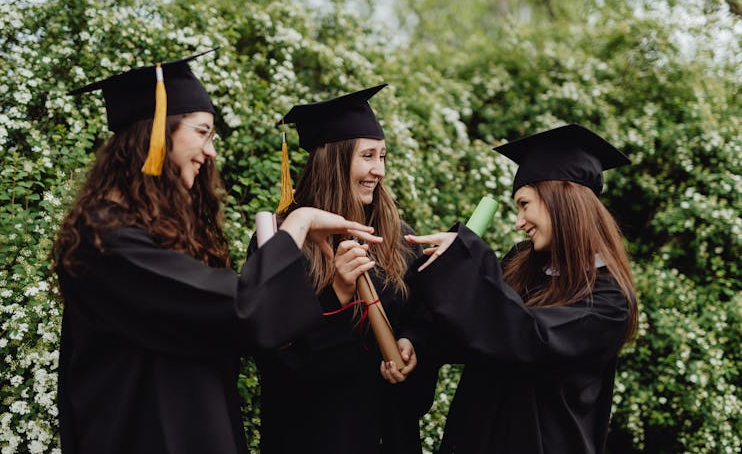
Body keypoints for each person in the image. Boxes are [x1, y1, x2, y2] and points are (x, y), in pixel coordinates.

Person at [54, 50, 381, 454]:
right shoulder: (106, 239)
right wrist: (297, 224)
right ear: (157, 132)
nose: (210, 151)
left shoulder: (149, 234)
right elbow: (245, 307)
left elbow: (238, 326)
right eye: (202, 131)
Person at [405, 124, 639, 454]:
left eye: (524, 204)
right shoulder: (522, 262)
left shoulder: (609, 300)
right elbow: (476, 331)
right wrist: (417, 343)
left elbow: (528, 339)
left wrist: (469, 259)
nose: (519, 221)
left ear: (562, 199)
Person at [248, 85, 436, 454]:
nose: (378, 170)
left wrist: (411, 344)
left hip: (388, 433)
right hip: (316, 435)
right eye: (367, 156)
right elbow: (275, 355)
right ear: (333, 160)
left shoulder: (396, 238)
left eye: (382, 156)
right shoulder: (283, 242)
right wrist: (338, 292)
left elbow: (423, 316)